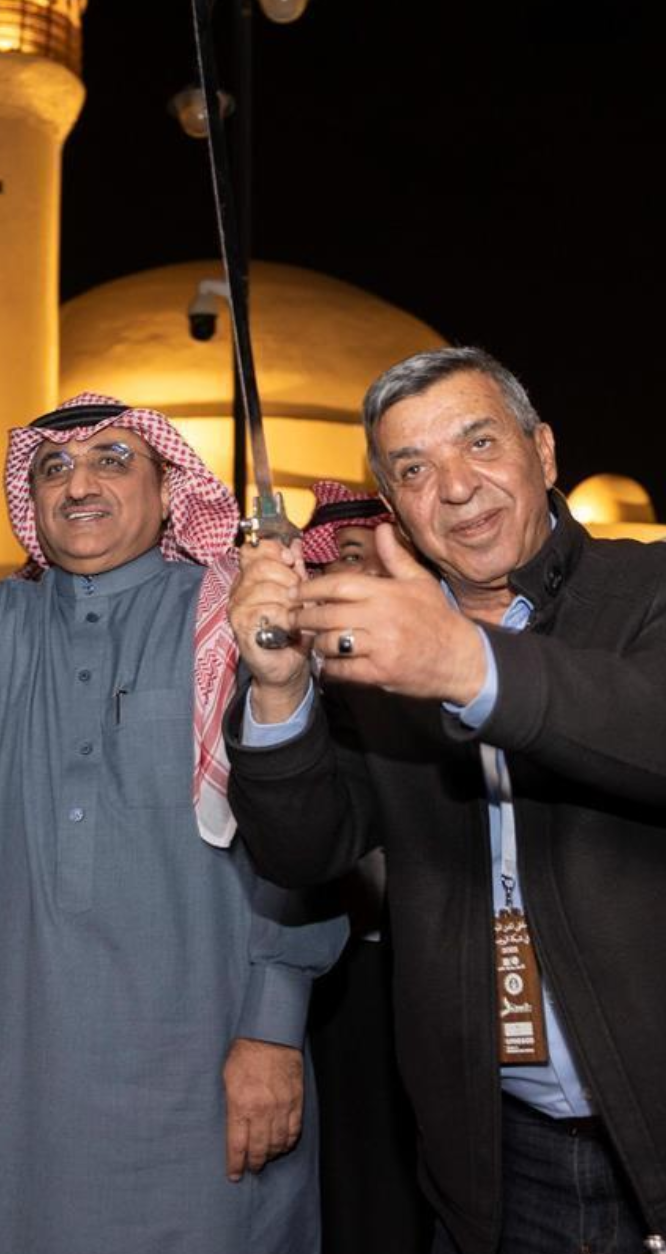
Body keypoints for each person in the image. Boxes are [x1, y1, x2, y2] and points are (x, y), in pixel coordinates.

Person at [224, 346, 666, 1254]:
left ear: (543, 452)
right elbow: (302, 849)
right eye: (413, 469)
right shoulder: (381, 654)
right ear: (392, 505)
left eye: (479, 443)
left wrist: (467, 666)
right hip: (497, 1164)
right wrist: (278, 689)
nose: (455, 487)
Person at [0, 332, 345, 1254]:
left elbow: (303, 836)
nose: (78, 482)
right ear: (29, 500)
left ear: (170, 492)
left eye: (112, 459)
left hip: (201, 1051)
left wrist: (273, 1032)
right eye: (52, 467)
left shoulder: (233, 618)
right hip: (15, 1059)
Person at [295, 481, 435, 1254]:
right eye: (327, 558)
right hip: (332, 964)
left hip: (418, 960)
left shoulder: (434, 667)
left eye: (356, 555)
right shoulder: (299, 682)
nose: (337, 573)